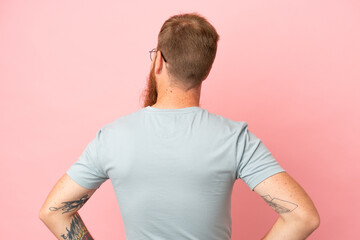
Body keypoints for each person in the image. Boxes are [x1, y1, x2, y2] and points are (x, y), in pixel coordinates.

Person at [39, 12, 320, 240]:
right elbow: (303, 217)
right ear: (206, 70)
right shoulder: (235, 139)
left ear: (158, 61)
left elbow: (53, 211)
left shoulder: (112, 137)